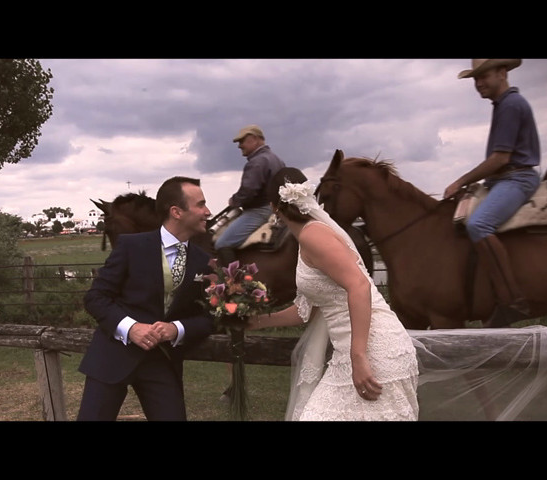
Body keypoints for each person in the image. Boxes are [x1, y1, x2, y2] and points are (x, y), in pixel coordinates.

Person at [246, 167, 419, 421]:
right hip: (353, 354)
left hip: (373, 353)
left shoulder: (314, 235)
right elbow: (308, 309)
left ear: (274, 208)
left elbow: (359, 286)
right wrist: (256, 321)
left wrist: (358, 357)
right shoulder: (309, 237)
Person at [76, 176, 215, 421]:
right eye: (201, 204)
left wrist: (177, 329)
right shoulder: (131, 246)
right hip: (112, 356)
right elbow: (95, 297)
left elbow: (209, 318)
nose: (208, 211)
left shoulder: (203, 261)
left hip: (162, 363)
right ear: (176, 212)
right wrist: (131, 328)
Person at [443, 59, 541, 328]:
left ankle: (512, 301)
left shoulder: (510, 105)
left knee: (479, 223)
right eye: (475, 79)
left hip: (516, 178)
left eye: (483, 76)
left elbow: (500, 159)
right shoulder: (503, 105)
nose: (479, 83)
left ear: (502, 72)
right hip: (502, 180)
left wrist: (461, 181)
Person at [214, 124, 286, 269]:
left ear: (254, 139)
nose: (239, 146)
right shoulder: (277, 159)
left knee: (222, 243)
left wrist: (234, 200)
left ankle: (235, 283)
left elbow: (248, 191)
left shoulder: (257, 162)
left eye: (242, 141)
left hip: (259, 211)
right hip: (277, 210)